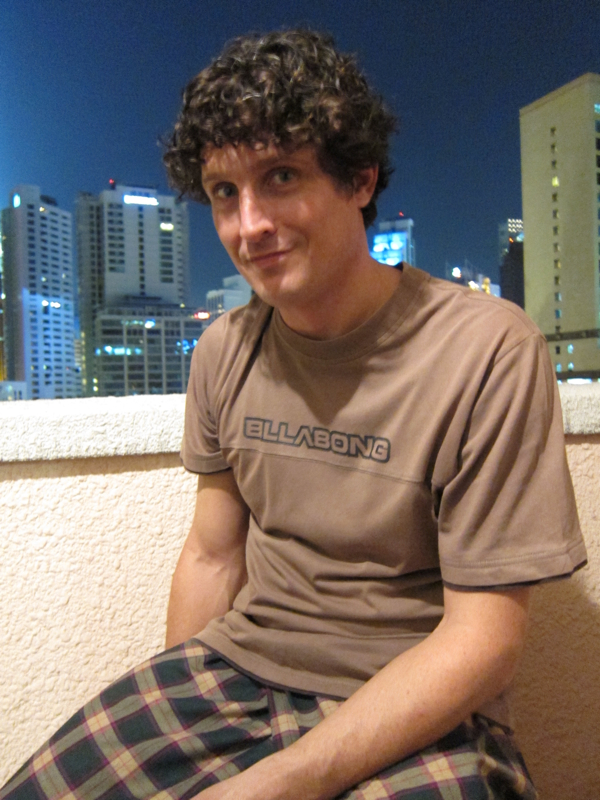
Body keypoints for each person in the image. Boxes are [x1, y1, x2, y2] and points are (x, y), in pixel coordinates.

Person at [1, 28, 587, 800]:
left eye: (281, 177)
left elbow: (485, 643)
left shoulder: (486, 349)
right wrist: (182, 726)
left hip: (417, 701)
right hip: (238, 672)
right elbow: (213, 558)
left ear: (360, 180)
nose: (248, 225)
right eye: (224, 193)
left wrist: (280, 782)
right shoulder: (226, 349)